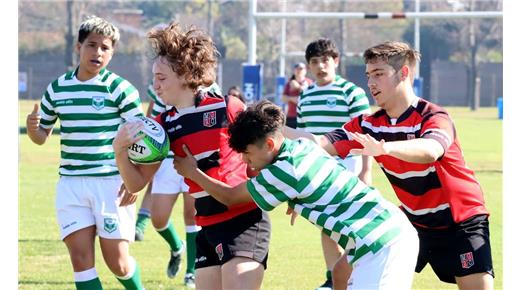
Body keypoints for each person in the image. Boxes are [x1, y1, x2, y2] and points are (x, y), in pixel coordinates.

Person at [285, 41, 494, 290]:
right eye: (369, 75)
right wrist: (274, 128)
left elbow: (431, 150)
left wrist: (385, 148)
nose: (371, 83)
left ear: (403, 73)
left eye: (379, 74)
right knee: (342, 272)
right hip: (412, 219)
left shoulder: (433, 116)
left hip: (461, 221)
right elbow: (319, 143)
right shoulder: (368, 124)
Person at [173, 100, 419, 290]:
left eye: (247, 154)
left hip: (382, 242)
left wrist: (193, 172)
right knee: (340, 273)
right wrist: (295, 200)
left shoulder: (284, 172)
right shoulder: (300, 147)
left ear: (269, 145)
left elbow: (230, 197)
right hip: (376, 234)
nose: (246, 162)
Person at [112, 22, 270, 290]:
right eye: (154, 77)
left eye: (161, 78)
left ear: (185, 74)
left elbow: (268, 150)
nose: (155, 86)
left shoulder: (227, 107)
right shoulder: (161, 127)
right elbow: (136, 184)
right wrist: (120, 151)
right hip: (205, 227)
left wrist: (289, 190)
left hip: (244, 221)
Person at [25, 16, 145, 290]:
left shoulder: (120, 89)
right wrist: (33, 128)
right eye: (92, 45)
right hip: (71, 185)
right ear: (78, 47)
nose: (98, 53)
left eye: (105, 48)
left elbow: (143, 139)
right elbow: (41, 137)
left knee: (118, 263)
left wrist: (136, 179)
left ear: (112, 52)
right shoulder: (57, 88)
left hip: (111, 184)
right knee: (80, 261)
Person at [297, 38, 373, 290]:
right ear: (309, 65)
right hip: (316, 170)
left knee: (348, 227)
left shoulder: (351, 92)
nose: (321, 66)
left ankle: (353, 277)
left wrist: (365, 170)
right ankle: (334, 279)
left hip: (347, 165)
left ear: (336, 61)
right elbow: (301, 139)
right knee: (327, 226)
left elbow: (366, 134)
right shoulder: (305, 95)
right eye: (315, 61)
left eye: (325, 60)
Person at [281, 62, 313, 129]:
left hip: (305, 116)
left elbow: (308, 99)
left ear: (305, 71)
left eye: (301, 68)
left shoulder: (310, 82)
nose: (299, 70)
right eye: (297, 68)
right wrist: (293, 99)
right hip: (291, 116)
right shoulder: (289, 83)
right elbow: (283, 98)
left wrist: (298, 87)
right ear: (294, 71)